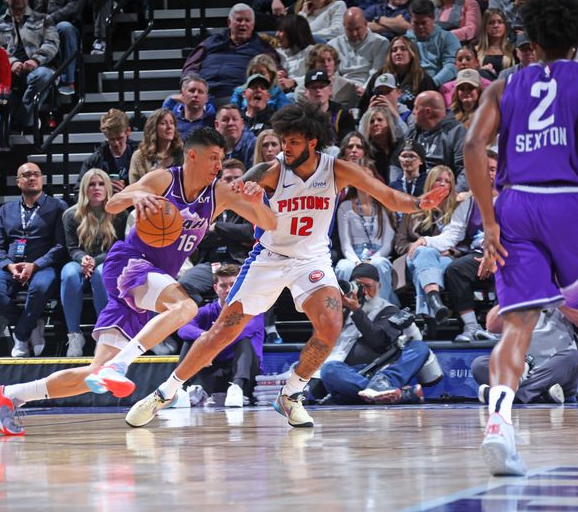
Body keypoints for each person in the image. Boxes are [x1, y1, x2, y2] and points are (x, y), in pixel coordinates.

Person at [124, 103, 447, 428]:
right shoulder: (270, 171)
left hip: (312, 259)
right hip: (269, 259)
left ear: (311, 141)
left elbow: (388, 196)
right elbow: (222, 196)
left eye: (292, 142)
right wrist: (235, 196)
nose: (285, 148)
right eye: (282, 141)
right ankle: (165, 392)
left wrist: (420, 203)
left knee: (331, 322)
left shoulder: (337, 170)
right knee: (222, 332)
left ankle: (290, 394)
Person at [0, 127, 278, 435]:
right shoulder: (165, 179)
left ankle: (7, 396)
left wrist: (258, 201)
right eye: (214, 158)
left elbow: (270, 224)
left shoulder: (219, 193)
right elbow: (112, 205)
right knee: (186, 307)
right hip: (129, 263)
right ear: (193, 155)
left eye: (222, 159)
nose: (219, 166)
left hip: (153, 280)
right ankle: (120, 365)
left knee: (94, 375)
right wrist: (137, 194)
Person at [463, 0, 578, 475]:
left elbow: (473, 144)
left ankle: (498, 426)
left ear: (532, 40)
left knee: (517, 322)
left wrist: (490, 218)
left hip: (515, 202)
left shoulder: (503, 85)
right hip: (571, 201)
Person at [0, 162, 68, 358]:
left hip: (43, 266)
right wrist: (9, 266)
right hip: (12, 267)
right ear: (18, 182)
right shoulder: (6, 210)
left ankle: (20, 335)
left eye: (36, 174)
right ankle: (31, 323)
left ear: (42, 179)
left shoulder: (57, 206)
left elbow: (61, 245)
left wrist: (36, 265)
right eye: (27, 175)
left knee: (40, 287)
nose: (32, 178)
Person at [319, 263, 428, 404]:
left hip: (379, 370)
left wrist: (357, 311)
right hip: (348, 374)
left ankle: (382, 385)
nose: (363, 292)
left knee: (420, 347)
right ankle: (393, 394)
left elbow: (378, 340)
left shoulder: (389, 310)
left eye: (368, 286)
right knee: (330, 369)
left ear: (379, 287)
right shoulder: (338, 310)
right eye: (358, 286)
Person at [177, 264, 266, 407]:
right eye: (223, 286)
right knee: (190, 340)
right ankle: (179, 389)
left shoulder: (253, 310)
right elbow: (183, 329)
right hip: (213, 369)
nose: (228, 290)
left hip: (245, 373)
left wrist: (210, 347)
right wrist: (204, 335)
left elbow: (237, 334)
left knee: (243, 341)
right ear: (215, 288)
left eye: (233, 284)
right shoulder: (207, 311)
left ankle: (237, 388)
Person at [61, 169, 127, 357]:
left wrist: (93, 261)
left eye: (100, 184)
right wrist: (83, 259)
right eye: (91, 184)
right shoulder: (70, 215)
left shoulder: (119, 214)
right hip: (79, 261)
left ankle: (104, 335)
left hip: (108, 261)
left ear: (108, 188)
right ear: (84, 188)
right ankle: (74, 335)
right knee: (69, 274)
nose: (96, 188)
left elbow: (118, 248)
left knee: (100, 273)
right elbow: (72, 247)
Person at [393, 165, 471, 322]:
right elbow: (399, 243)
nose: (443, 184)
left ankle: (429, 313)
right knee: (425, 253)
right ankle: (434, 305)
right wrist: (417, 247)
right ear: (429, 183)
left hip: (444, 259)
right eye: (439, 180)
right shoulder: (415, 206)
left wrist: (450, 252)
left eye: (447, 181)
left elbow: (464, 241)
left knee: (425, 268)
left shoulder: (458, 208)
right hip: (413, 257)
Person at [177, 159, 257, 305]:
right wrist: (233, 235)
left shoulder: (251, 204)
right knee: (183, 285)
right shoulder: (207, 203)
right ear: (219, 181)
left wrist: (217, 227)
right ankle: (204, 317)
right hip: (211, 263)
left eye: (237, 178)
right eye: (228, 179)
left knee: (256, 286)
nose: (233, 182)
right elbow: (199, 238)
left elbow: (249, 233)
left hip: (239, 263)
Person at [473, 305, 578, 404]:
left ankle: (511, 396)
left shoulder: (568, 294)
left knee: (574, 358)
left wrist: (553, 296)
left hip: (556, 372)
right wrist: (513, 296)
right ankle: (542, 396)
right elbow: (492, 326)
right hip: (520, 370)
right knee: (479, 365)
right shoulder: (521, 297)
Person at [0, 0, 60, 129]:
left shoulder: (44, 19)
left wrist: (35, 60)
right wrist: (12, 62)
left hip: (36, 71)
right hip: (8, 75)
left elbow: (51, 43)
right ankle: (27, 120)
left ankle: (24, 116)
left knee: (46, 75)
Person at [445, 150, 499, 341]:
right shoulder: (469, 202)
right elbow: (453, 233)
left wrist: (490, 255)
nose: (489, 173)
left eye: (493, 169)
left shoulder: (511, 199)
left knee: (507, 269)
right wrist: (425, 241)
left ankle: (498, 328)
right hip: (477, 254)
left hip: (506, 253)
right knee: (455, 269)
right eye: (485, 169)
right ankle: (471, 327)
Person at [182, 3, 282, 102]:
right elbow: (191, 66)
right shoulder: (211, 41)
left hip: (235, 95)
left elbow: (275, 69)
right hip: (203, 93)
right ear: (229, 22)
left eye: (247, 20)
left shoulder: (262, 47)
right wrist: (189, 83)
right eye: (239, 20)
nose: (243, 24)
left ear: (253, 24)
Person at [335, 158, 398, 303]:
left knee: (379, 264)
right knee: (343, 267)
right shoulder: (345, 207)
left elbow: (387, 242)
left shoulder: (383, 207)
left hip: (378, 254)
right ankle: (347, 310)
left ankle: (382, 307)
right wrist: (357, 262)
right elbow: (346, 244)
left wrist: (372, 259)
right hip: (354, 255)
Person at [23, 0, 82, 96]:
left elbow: (76, 2)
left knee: (65, 28)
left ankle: (67, 81)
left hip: (61, 21)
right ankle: (36, 73)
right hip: (36, 25)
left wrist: (52, 18)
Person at [360, 35, 438, 113]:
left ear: (411, 53)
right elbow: (363, 105)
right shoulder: (380, 76)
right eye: (394, 50)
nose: (398, 53)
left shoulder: (423, 78)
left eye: (403, 49)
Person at [408, 90, 468, 190]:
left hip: (443, 192)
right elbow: (396, 164)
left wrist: (455, 195)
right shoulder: (413, 131)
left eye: (416, 107)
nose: (413, 111)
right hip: (412, 192)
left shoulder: (456, 131)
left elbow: (465, 168)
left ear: (428, 112)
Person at [328, 7, 389, 89]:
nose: (354, 34)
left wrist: (365, 90)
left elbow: (377, 72)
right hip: (340, 89)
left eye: (357, 29)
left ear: (366, 24)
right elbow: (333, 73)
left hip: (367, 89)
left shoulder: (381, 43)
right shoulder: (333, 45)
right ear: (343, 26)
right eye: (349, 30)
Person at [405, 0, 460, 87]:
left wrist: (432, 83)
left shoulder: (448, 38)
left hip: (441, 85)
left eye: (423, 23)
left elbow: (451, 66)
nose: (420, 27)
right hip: (411, 85)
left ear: (433, 18)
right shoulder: (405, 41)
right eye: (416, 23)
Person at [78, 108, 136, 191]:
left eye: (120, 138)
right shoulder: (94, 160)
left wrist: (128, 190)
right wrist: (103, 188)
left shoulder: (140, 157)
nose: (116, 143)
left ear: (128, 131)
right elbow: (79, 193)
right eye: (111, 139)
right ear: (106, 136)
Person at [294, 43, 360, 108]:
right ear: (313, 64)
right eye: (321, 61)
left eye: (329, 60)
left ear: (335, 62)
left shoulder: (348, 87)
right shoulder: (301, 91)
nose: (326, 64)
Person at [128, 109, 185, 185]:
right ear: (153, 128)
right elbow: (134, 188)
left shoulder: (183, 153)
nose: (169, 127)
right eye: (163, 123)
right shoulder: (139, 157)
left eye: (172, 123)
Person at [304, 69, 357, 145]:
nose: (318, 90)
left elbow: (347, 144)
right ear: (306, 92)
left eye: (322, 86)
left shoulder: (342, 114)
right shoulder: (300, 115)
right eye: (313, 87)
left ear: (330, 89)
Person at [229, 54, 293, 111]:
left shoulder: (277, 93)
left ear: (271, 74)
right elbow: (233, 112)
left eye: (263, 73)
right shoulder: (239, 92)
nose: (258, 76)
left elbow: (284, 114)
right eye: (255, 73)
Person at [167, 75, 216, 140]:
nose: (195, 95)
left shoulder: (213, 123)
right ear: (182, 95)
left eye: (200, 92)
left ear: (206, 98)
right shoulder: (172, 122)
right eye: (192, 91)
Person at [275, 14, 316, 84]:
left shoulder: (313, 53)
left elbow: (317, 76)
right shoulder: (277, 53)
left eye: (281, 31)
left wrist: (293, 82)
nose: (276, 34)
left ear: (293, 33)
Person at [475, 8, 515, 77]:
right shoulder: (475, 50)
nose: (496, 26)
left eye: (500, 22)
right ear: (485, 27)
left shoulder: (513, 50)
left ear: (505, 26)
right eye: (491, 23)